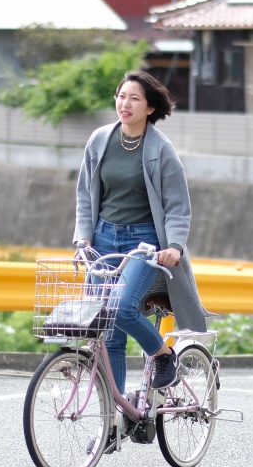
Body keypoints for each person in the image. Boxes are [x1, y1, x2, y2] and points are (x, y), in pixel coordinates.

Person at [74, 70, 209, 395]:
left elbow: (177, 205)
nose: (125, 103)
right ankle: (115, 419)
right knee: (110, 334)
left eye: (134, 98)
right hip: (103, 239)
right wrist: (83, 236)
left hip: (145, 243)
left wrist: (174, 246)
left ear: (150, 107)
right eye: (121, 96)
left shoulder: (161, 150)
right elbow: (84, 193)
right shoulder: (100, 139)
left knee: (121, 308)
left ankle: (162, 354)